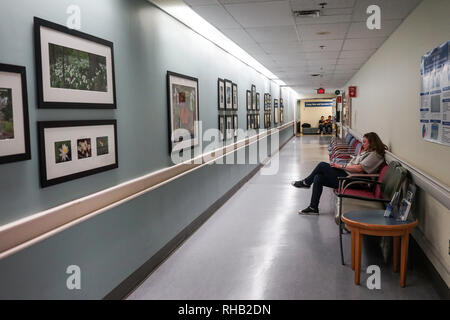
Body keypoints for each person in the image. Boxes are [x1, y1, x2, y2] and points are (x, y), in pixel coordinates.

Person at [291, 132, 387, 215]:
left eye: (365, 142)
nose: (363, 144)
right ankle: (313, 207)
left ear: (372, 143)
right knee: (318, 177)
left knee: (322, 165)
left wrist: (340, 166)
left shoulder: (375, 155)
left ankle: (306, 182)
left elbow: (359, 168)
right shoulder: (367, 152)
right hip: (349, 176)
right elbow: (357, 163)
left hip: (355, 180)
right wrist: (359, 154)